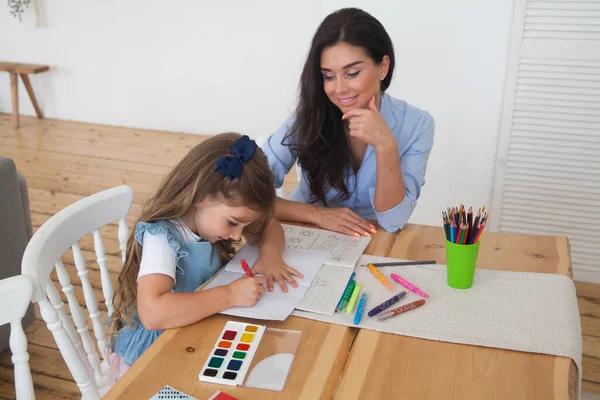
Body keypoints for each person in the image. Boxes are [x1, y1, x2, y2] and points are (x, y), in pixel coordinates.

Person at [107, 133, 296, 381]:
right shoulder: (162, 238)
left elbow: (270, 226)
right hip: (152, 356)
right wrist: (229, 295)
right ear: (202, 197)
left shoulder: (214, 218)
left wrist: (270, 254)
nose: (238, 235)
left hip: (196, 329)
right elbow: (153, 314)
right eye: (233, 223)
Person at [262, 7, 435, 237]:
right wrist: (317, 214)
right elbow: (243, 194)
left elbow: (393, 221)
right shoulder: (309, 116)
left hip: (372, 241)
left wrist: (385, 147)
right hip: (306, 233)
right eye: (328, 76)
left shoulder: (417, 124)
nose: (340, 89)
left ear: (383, 66)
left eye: (352, 73)